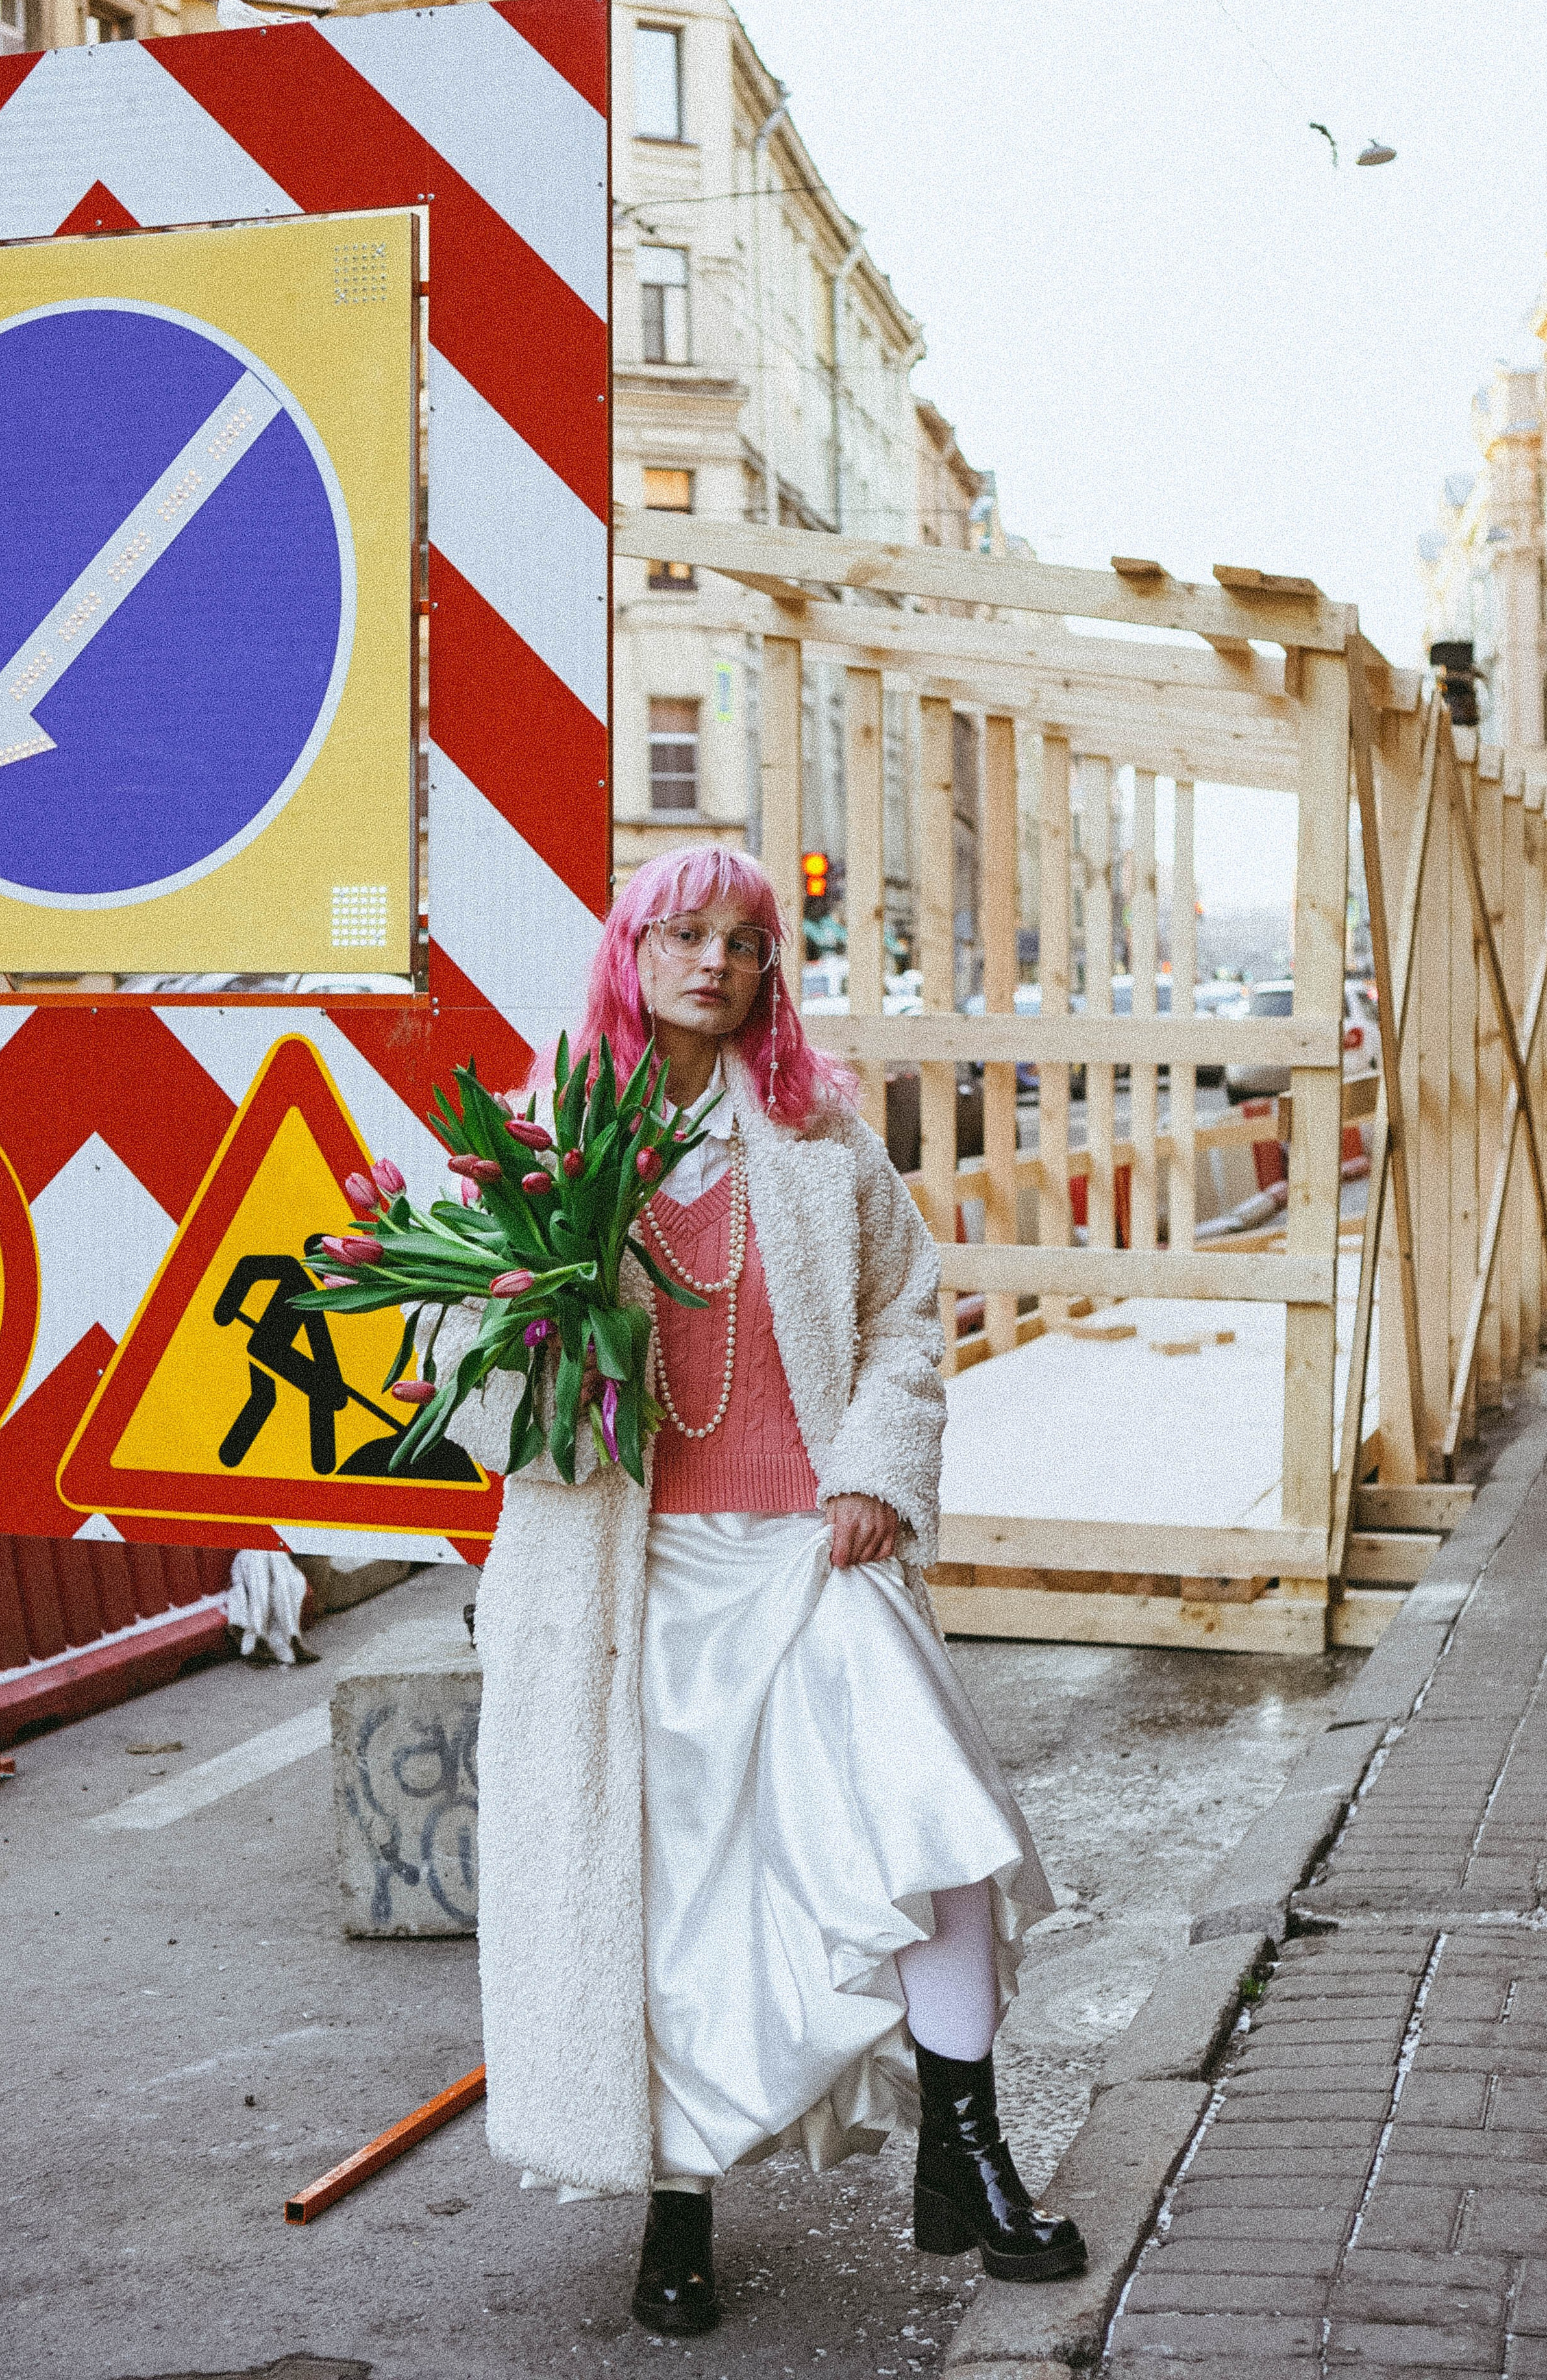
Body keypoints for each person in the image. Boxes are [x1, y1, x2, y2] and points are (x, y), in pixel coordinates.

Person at [437, 845, 1085, 2338]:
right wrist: (538, 1354)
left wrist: (876, 1469)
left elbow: (904, 1321)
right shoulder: (537, 1142)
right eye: (685, 933)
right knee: (657, 1900)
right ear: (631, 950)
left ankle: (964, 2152)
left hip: (813, 1551)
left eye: (743, 940)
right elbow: (458, 1375)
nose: (714, 961)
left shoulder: (814, 1134)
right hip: (629, 1581)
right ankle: (675, 2208)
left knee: (934, 1829)